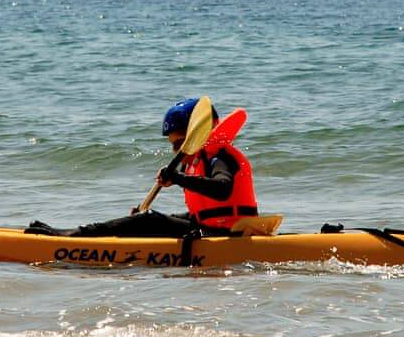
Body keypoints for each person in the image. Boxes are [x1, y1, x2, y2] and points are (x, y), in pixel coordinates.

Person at [26, 97, 258, 238]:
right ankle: (89, 233)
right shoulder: (202, 161)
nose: (176, 150)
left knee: (148, 220)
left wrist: (178, 178)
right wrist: (157, 219)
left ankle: (73, 235)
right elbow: (204, 215)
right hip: (213, 230)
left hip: (227, 235)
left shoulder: (220, 157)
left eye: (179, 143)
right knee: (148, 219)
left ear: (197, 135)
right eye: (173, 145)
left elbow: (222, 189)